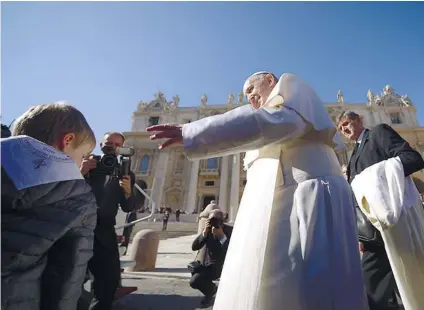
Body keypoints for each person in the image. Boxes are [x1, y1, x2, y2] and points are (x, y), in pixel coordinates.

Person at [147, 72, 368, 310]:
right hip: (289, 198)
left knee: (316, 283)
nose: (250, 97)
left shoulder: (292, 95)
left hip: (309, 197)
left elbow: (268, 124)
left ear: (270, 80)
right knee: (284, 281)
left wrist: (194, 132)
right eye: (246, 95)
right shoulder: (273, 113)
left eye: (252, 89)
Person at [1, 103, 97, 310]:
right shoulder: (78, 196)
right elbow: (67, 279)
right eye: (82, 156)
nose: (81, 165)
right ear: (67, 140)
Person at [338, 110, 424, 310]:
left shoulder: (378, 133)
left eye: (347, 123)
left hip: (393, 221)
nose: (345, 130)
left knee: (378, 284)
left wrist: (370, 176)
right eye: (341, 128)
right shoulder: (354, 155)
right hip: (372, 229)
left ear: (359, 120)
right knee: (381, 283)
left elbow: (413, 159)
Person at [80, 132, 136, 310]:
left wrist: (127, 192)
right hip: (79, 228)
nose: (112, 146)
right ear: (101, 145)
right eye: (108, 143)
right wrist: (80, 172)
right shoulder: (85, 164)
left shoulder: (125, 172)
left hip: (105, 230)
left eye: (116, 144)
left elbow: (128, 207)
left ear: (121, 149)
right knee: (70, 276)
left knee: (109, 281)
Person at [190, 210, 232, 308]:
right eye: (211, 220)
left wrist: (222, 236)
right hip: (211, 266)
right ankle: (211, 291)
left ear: (222, 220)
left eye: (216, 220)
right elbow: (194, 247)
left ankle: (210, 295)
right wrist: (204, 233)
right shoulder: (208, 231)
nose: (214, 222)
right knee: (194, 281)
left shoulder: (230, 230)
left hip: (226, 266)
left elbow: (232, 250)